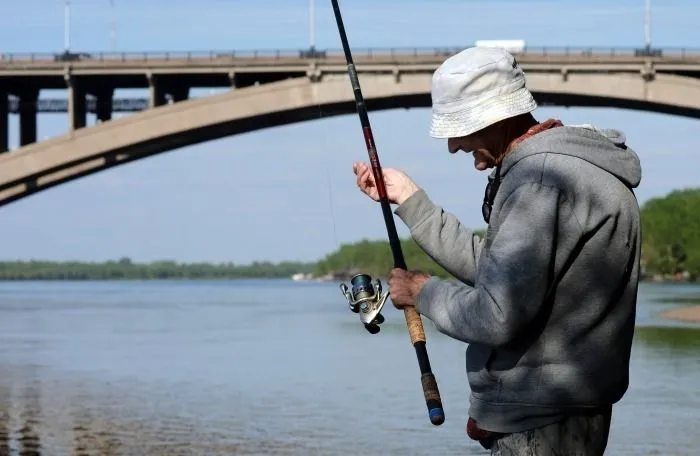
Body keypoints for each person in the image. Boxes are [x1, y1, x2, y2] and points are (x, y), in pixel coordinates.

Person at [352, 46, 642, 455]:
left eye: (459, 128)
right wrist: (408, 198)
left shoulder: (539, 180)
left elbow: (496, 315)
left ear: (496, 116)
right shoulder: (579, 168)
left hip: (538, 420)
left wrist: (423, 293)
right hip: (572, 412)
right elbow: (502, 273)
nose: (453, 145)